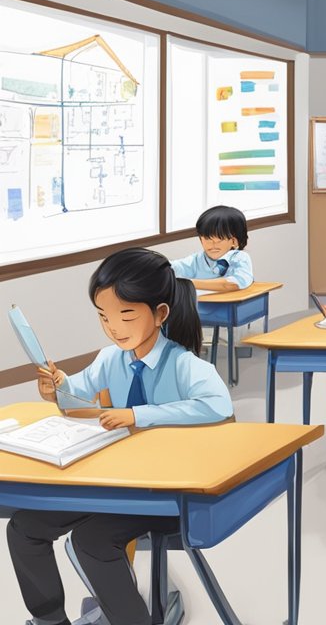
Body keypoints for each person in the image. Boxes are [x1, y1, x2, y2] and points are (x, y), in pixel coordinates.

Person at [12, 248, 233, 625]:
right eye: (103, 316)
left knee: (91, 542)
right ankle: (50, 620)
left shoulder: (184, 364)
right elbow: (77, 398)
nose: (114, 327)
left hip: (163, 489)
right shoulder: (109, 358)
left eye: (125, 315)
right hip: (110, 480)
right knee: (25, 528)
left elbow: (219, 406)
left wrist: (137, 415)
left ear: (160, 314)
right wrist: (57, 388)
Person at [169, 205, 254, 292]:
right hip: (200, 304)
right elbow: (176, 267)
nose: (213, 244)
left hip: (228, 304)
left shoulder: (239, 258)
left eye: (219, 239)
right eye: (207, 239)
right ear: (201, 239)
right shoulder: (197, 260)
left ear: (233, 241)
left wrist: (189, 283)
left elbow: (234, 283)